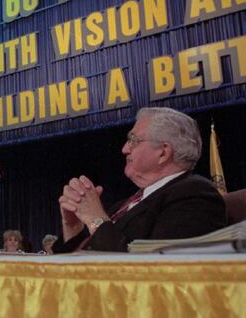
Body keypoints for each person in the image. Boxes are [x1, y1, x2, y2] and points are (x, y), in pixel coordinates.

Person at [54, 107, 227, 253]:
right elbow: (72, 269)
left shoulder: (195, 196)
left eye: (133, 140)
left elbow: (153, 272)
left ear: (163, 152)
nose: (124, 149)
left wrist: (95, 219)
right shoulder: (123, 205)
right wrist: (73, 227)